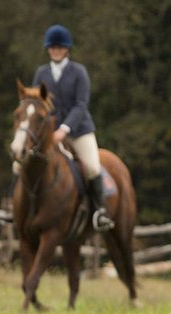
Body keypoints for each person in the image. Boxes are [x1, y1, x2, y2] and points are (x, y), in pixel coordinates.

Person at [32, 24, 113, 231]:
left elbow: (81, 104)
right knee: (21, 160)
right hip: (48, 132)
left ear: (67, 49)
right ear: (48, 49)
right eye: (53, 47)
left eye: (60, 47)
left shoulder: (79, 72)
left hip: (78, 130)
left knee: (93, 167)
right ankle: (16, 209)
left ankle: (100, 212)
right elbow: (36, 103)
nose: (56, 50)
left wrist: (65, 128)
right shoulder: (41, 73)